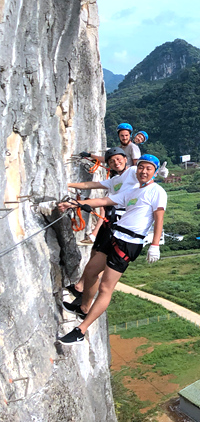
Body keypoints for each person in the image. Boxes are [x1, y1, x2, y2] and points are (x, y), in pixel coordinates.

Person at [57, 154, 167, 345]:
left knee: (106, 287)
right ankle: (83, 307)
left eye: (149, 169)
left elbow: (159, 219)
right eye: (141, 167)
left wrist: (155, 245)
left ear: (155, 173)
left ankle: (80, 331)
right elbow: (104, 202)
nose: (144, 171)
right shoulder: (133, 191)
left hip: (130, 243)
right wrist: (74, 204)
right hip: (116, 236)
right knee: (90, 271)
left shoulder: (157, 192)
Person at [66, 147, 137, 297]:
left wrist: (158, 174)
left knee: (99, 258)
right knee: (94, 253)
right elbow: (91, 185)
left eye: (118, 159)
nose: (116, 163)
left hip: (120, 221)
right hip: (110, 219)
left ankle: (82, 292)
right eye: (112, 161)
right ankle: (80, 287)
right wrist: (69, 185)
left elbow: (146, 172)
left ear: (125, 159)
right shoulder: (114, 180)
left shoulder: (133, 171)